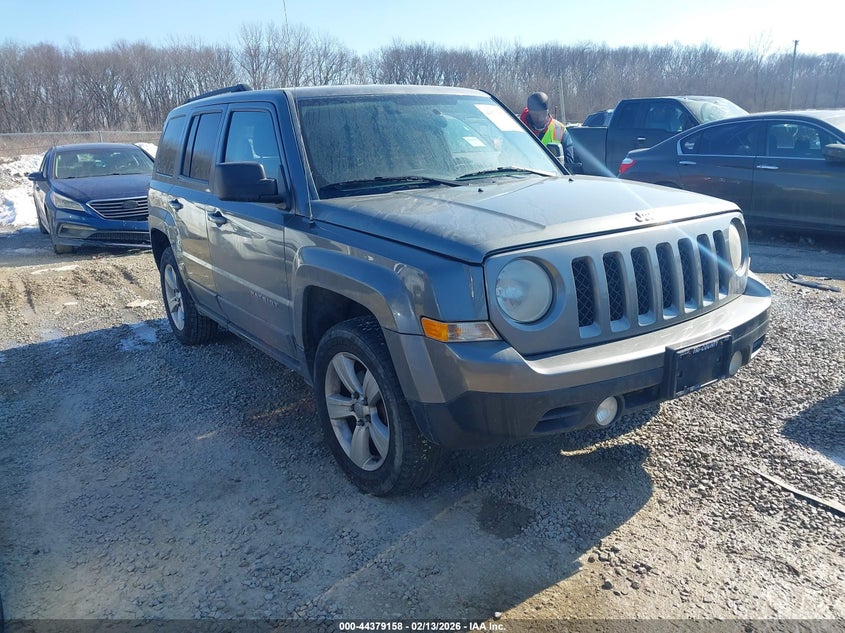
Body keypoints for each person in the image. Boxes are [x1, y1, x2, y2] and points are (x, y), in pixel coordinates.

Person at [519, 91, 575, 170]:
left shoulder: (558, 129)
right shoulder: (519, 129)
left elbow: (569, 164)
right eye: (535, 115)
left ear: (547, 111)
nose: (538, 118)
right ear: (529, 112)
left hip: (552, 178)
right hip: (525, 176)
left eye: (541, 114)